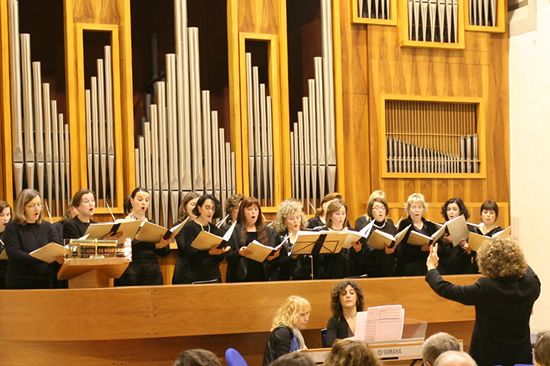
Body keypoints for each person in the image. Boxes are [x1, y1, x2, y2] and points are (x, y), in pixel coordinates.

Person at [426, 237, 541, 366]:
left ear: (487, 263)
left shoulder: (486, 288)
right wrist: (512, 257)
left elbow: (446, 289)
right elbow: (528, 270)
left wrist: (431, 268)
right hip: (520, 355)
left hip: (487, 357)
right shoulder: (531, 285)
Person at [2, 189, 62, 289]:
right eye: (32, 205)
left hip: (45, 280)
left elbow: (57, 247)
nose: (37, 209)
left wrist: (60, 257)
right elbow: (14, 253)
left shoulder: (48, 227)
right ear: (22, 208)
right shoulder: (12, 227)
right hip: (20, 281)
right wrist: (41, 257)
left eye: (39, 204)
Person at [115, 188, 173, 286]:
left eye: (147, 200)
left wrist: (164, 244)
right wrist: (154, 246)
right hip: (130, 271)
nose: (144, 203)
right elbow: (122, 250)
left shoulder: (151, 224)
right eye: (140, 199)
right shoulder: (121, 223)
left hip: (152, 272)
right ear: (132, 201)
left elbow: (163, 253)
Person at [174, 194, 229, 284]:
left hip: (213, 277)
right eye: (207, 207)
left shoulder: (215, 229)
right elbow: (189, 253)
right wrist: (209, 252)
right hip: (195, 276)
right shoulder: (190, 226)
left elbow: (220, 258)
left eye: (213, 208)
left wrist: (221, 251)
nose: (210, 211)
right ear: (199, 208)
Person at [226, 197, 281, 282]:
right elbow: (228, 256)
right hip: (240, 277)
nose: (253, 212)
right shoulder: (233, 231)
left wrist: (275, 255)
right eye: (249, 209)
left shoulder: (268, 231)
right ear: (242, 212)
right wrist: (238, 252)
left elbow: (276, 255)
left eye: (256, 209)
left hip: (262, 276)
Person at [352, 190, 397, 277]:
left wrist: (393, 250)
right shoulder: (365, 226)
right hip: (371, 269)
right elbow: (367, 251)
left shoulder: (391, 226)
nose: (380, 211)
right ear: (371, 210)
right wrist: (384, 252)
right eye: (376, 208)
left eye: (382, 207)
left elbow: (398, 249)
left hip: (389, 269)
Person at [396, 193, 438, 276]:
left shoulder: (430, 226)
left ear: (423, 209)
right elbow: (402, 249)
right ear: (408, 210)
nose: (417, 210)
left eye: (420, 207)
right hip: (410, 262)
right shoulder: (404, 224)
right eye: (414, 207)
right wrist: (420, 249)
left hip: (427, 262)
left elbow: (437, 244)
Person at [262, 295, 311, 366]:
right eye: (302, 315)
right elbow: (284, 363)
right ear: (290, 315)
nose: (306, 318)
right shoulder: (283, 332)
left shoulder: (294, 332)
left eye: (307, 313)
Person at [314, 199, 355, 279]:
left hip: (348, 274)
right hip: (328, 275)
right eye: (337, 213)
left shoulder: (352, 232)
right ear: (330, 216)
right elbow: (318, 259)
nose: (341, 217)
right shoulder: (322, 233)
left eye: (343, 213)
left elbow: (357, 259)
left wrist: (358, 250)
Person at [273, 198, 310, 280]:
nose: (295, 221)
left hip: (307, 278)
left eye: (298, 217)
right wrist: (291, 258)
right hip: (286, 279)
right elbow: (276, 263)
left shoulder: (309, 234)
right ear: (284, 220)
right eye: (291, 218)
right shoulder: (279, 237)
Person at [437, 198, 476, 275]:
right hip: (443, 269)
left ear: (460, 211)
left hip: (463, 269)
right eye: (448, 209)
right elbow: (437, 250)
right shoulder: (441, 228)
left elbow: (472, 253)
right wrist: (444, 242)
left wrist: (467, 248)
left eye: (454, 209)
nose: (451, 212)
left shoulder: (469, 228)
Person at [326, 281, 365, 347]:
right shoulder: (334, 321)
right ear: (338, 299)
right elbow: (330, 343)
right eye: (344, 294)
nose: (348, 296)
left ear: (357, 297)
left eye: (352, 293)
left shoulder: (365, 318)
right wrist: (351, 340)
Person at [0, 200, 12, 289]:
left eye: (8, 215)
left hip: (11, 276)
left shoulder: (12, 234)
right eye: (1, 215)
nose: (6, 218)